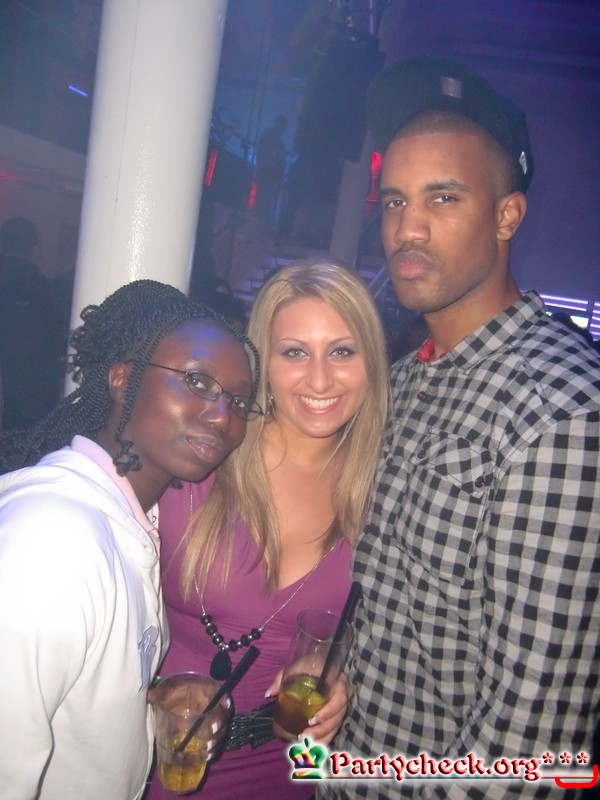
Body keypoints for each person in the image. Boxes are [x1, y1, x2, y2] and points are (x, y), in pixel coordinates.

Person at [318, 56, 600, 799]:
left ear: (507, 215)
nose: (406, 228)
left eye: (443, 197)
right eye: (394, 200)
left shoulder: (563, 411)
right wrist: (335, 667)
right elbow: (390, 607)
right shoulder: (404, 381)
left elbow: (532, 744)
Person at [0, 279, 262, 800]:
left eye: (238, 400)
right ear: (123, 376)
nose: (223, 416)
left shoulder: (129, 520)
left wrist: (152, 696)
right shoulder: (53, 539)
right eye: (196, 381)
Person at [145, 258, 390, 800]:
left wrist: (337, 673)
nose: (320, 379)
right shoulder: (201, 461)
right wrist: (152, 690)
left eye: (342, 351)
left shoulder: (385, 492)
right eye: (295, 352)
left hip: (288, 770)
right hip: (161, 757)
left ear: (371, 362)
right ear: (264, 361)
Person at [0, 216, 64, 431]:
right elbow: (57, 344)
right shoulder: (46, 292)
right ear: (36, 247)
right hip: (30, 405)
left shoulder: (44, 290)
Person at [253, 114, 288, 224]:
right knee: (262, 196)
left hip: (271, 176)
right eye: (282, 125)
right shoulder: (268, 136)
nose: (284, 128)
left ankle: (260, 219)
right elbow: (262, 154)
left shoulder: (279, 144)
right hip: (266, 173)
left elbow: (280, 160)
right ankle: (256, 218)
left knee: (267, 199)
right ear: (278, 124)